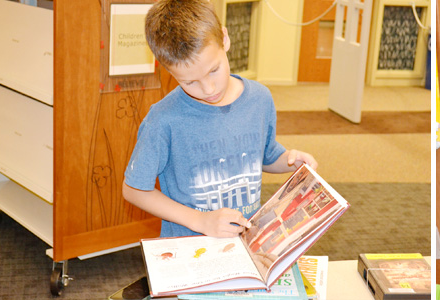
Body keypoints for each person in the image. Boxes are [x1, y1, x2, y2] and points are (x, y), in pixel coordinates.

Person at [122, 0, 317, 238]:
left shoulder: (259, 98)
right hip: (190, 250)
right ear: (169, 70)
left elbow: (264, 156)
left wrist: (289, 161)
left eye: (213, 70)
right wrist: (200, 220)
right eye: (190, 82)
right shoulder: (163, 120)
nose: (208, 88)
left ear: (224, 38)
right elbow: (134, 189)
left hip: (245, 242)